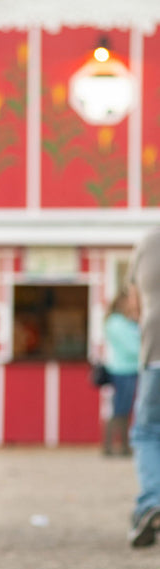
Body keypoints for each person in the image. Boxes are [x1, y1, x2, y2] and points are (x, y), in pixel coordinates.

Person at [127, 227, 160, 547]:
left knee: (148, 432)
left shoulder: (148, 241)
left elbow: (135, 304)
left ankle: (151, 502)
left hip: (156, 355)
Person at [102, 290, 140, 456]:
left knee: (125, 408)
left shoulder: (127, 322)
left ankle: (123, 446)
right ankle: (111, 446)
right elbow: (133, 347)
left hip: (131, 368)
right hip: (122, 369)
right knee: (120, 408)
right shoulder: (116, 323)